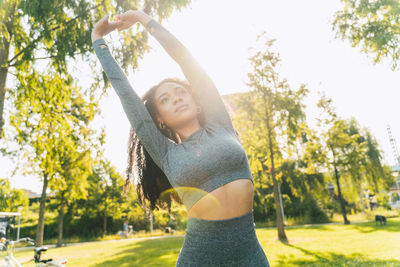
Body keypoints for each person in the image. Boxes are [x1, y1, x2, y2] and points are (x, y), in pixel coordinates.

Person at [91, 10, 270, 266]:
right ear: (159, 118)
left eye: (180, 92)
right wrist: (98, 39)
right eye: (165, 99)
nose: (175, 98)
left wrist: (144, 19)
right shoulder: (165, 152)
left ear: (197, 103)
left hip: (250, 256)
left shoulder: (221, 125)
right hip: (200, 259)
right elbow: (125, 92)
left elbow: (186, 60)